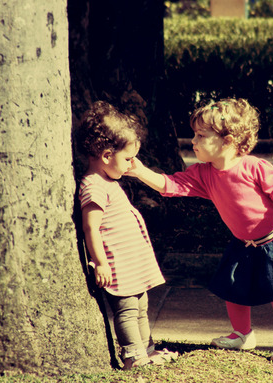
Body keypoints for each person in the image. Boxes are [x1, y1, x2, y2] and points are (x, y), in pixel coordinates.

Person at [126, 98, 273, 365]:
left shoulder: (254, 166)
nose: (193, 141)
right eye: (194, 134)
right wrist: (139, 171)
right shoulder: (203, 174)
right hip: (242, 243)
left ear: (227, 141)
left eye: (201, 135)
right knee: (233, 289)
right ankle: (243, 335)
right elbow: (169, 185)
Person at [76, 101, 178, 370]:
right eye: (128, 159)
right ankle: (133, 356)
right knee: (127, 310)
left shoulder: (107, 180)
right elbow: (90, 228)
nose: (132, 164)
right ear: (107, 156)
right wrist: (100, 262)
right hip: (116, 263)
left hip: (131, 262)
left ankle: (147, 350)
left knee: (141, 306)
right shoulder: (93, 185)